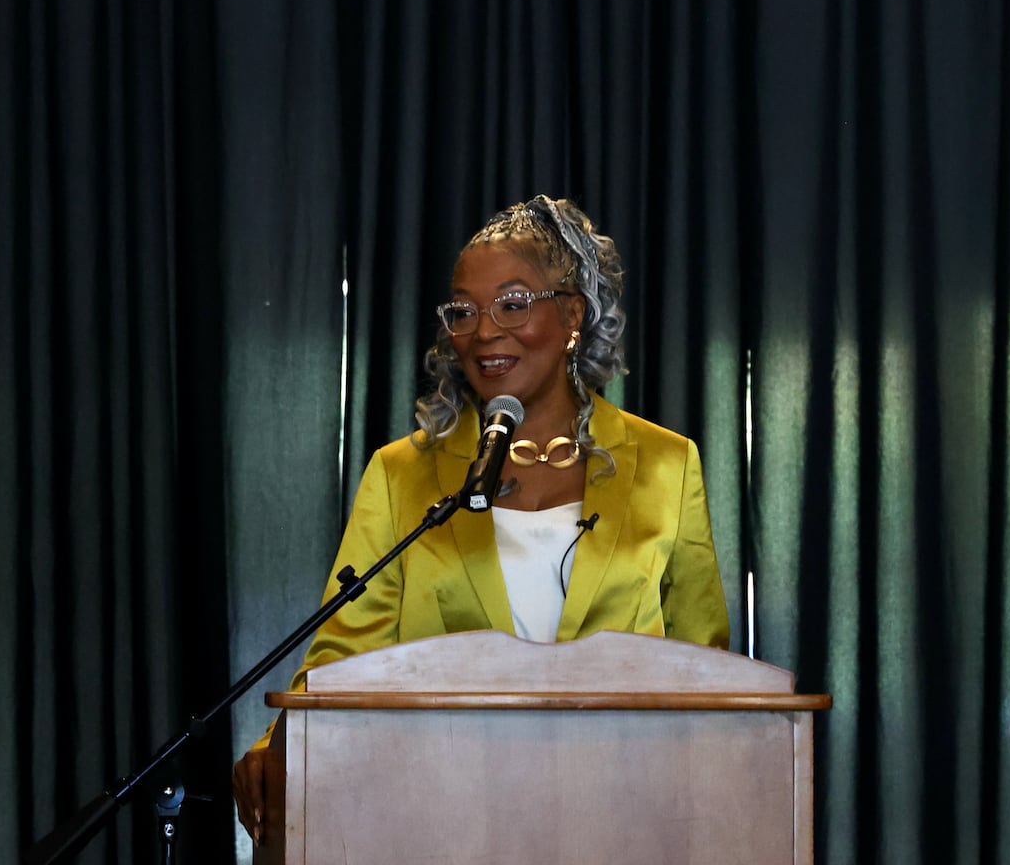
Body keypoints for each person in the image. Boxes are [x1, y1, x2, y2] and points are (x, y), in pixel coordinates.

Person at [231, 194, 729, 843]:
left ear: (572, 313)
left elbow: (708, 670)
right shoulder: (403, 474)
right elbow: (343, 654)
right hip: (443, 817)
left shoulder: (668, 463)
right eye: (464, 311)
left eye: (514, 303)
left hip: (619, 819)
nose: (485, 331)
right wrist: (278, 742)